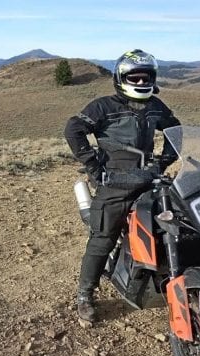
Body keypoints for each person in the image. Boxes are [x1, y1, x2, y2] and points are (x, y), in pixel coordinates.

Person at [63, 49, 181, 322]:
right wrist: (94, 167)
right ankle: (85, 294)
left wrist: (163, 163)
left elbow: (176, 130)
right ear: (121, 77)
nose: (141, 83)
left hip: (148, 176)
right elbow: (74, 129)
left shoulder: (155, 106)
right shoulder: (104, 106)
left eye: (145, 78)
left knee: (174, 220)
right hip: (115, 180)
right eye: (134, 78)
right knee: (103, 236)